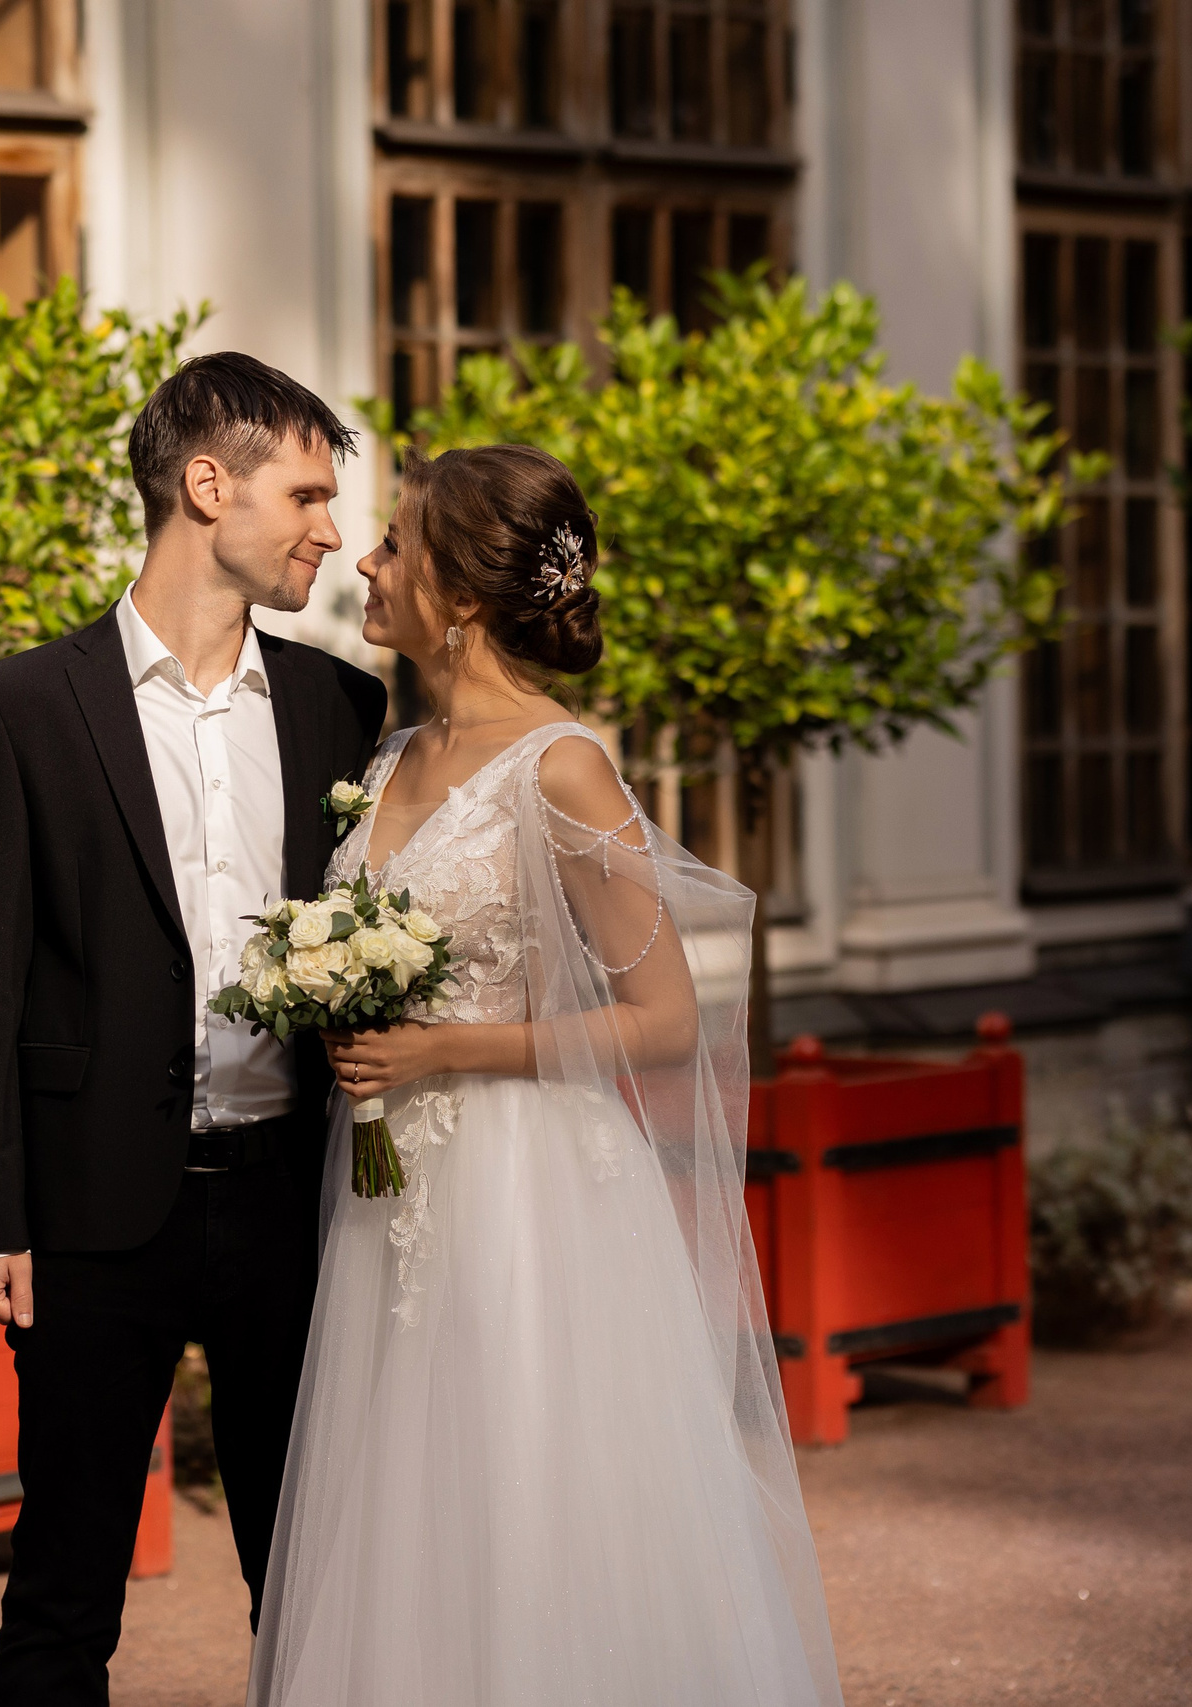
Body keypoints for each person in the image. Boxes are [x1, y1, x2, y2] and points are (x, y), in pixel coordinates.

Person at [248, 443, 845, 1705]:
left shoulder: (561, 764)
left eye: (396, 545)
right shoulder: (388, 755)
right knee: (402, 1502)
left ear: (462, 594)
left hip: (525, 1196)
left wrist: (446, 1047)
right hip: (384, 1193)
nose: (366, 563)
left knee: (524, 1488)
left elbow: (666, 1018)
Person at [0, 352, 389, 1705]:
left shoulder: (341, 706)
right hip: (90, 1218)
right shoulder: (23, 705)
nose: (330, 532)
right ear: (207, 485)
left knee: (312, 1580)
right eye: (306, 494)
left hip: (291, 1209)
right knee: (64, 1593)